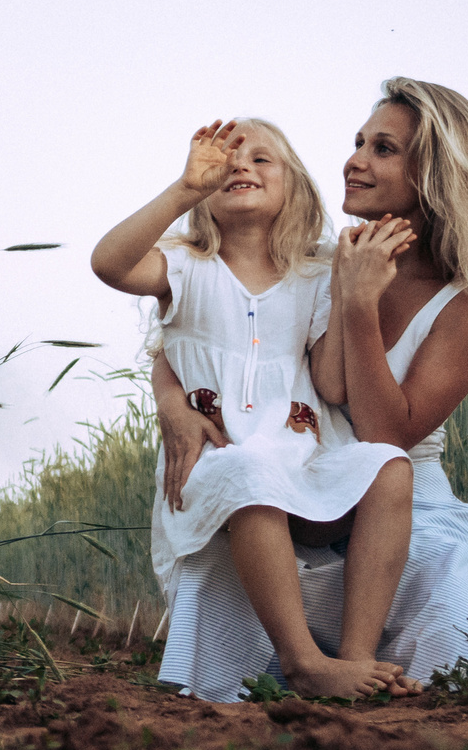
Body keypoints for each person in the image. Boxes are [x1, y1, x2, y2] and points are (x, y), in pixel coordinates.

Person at [151, 79, 468, 697]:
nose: (354, 161)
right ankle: (316, 663)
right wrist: (172, 405)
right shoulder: (315, 259)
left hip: (401, 507)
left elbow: (386, 438)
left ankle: (371, 650)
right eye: (357, 143)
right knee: (230, 590)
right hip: (303, 490)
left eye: (383, 149)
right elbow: (198, 330)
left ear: (434, 174)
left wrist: (358, 305)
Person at [92, 118, 417, 699]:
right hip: (222, 467)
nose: (240, 166)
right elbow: (108, 264)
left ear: (294, 185)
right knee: (250, 470)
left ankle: (356, 654)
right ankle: (302, 662)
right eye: (225, 162)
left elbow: (332, 385)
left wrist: (351, 291)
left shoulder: (315, 274)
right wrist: (184, 188)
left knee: (390, 466)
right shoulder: (185, 267)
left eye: (262, 159)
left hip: (302, 460)